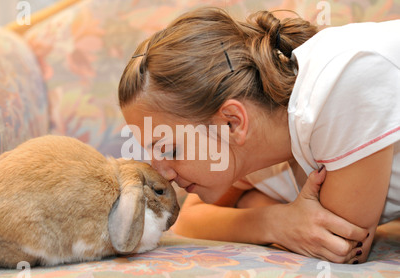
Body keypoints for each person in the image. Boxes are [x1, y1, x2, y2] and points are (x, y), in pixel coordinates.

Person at [118, 7, 400, 264]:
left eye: (169, 150)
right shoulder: (254, 147)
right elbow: (190, 219)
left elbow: (343, 246)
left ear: (231, 122)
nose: (162, 175)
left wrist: (251, 202)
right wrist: (278, 221)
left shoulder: (342, 81)